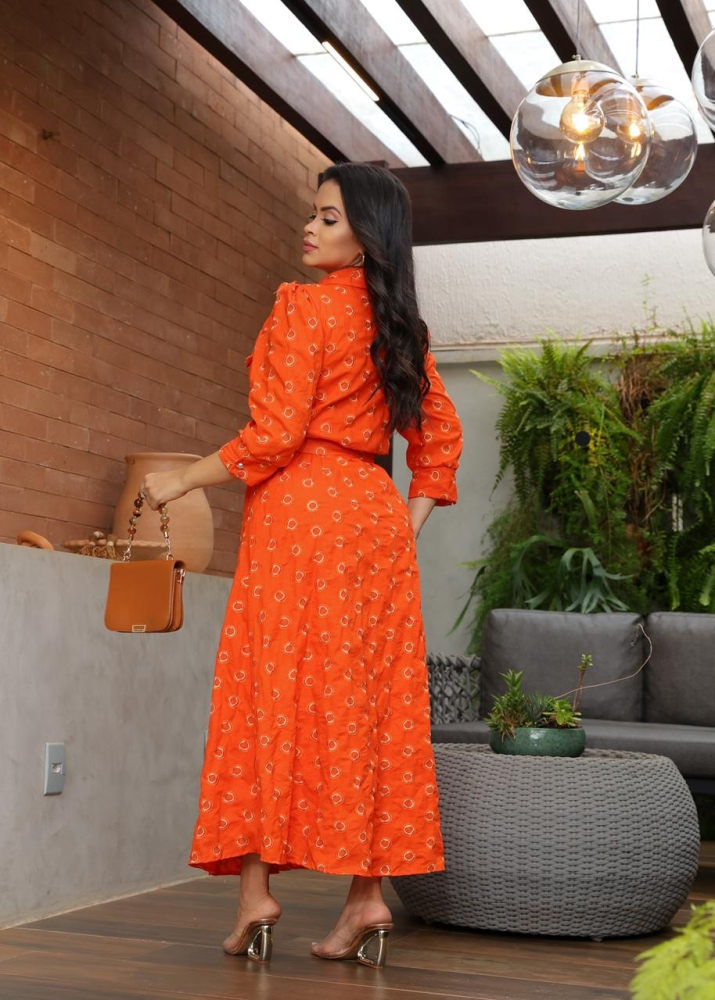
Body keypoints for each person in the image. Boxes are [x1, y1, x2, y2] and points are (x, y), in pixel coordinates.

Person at [141, 162, 463, 968]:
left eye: (326, 217)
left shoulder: (302, 307)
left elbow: (276, 435)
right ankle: (366, 897)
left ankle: (256, 896)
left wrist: (182, 479)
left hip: (298, 516)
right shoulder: (401, 331)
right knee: (370, 708)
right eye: (313, 215)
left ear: (367, 237)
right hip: (372, 522)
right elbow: (438, 443)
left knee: (265, 693)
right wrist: (401, 526)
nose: (308, 228)